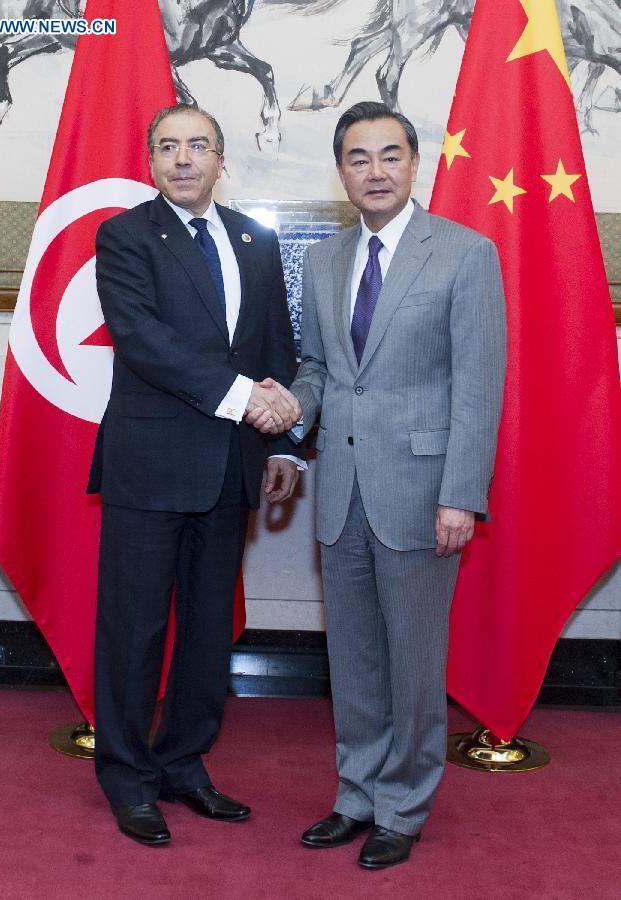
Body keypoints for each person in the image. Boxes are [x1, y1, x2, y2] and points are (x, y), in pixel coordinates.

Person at [251, 101, 506, 869]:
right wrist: (291, 409)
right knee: (354, 659)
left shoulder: (465, 253)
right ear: (340, 171)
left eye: (389, 155)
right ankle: (355, 795)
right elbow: (320, 369)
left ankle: (401, 806)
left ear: (414, 163)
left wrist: (460, 494)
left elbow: (477, 386)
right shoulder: (324, 260)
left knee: (413, 665)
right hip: (341, 493)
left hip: (423, 495)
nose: (375, 171)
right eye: (358, 158)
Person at [87, 102, 302, 846]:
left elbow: (275, 342)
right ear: (150, 160)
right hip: (149, 466)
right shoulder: (123, 236)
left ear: (220, 159)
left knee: (209, 631)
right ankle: (127, 778)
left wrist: (283, 445)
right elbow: (142, 340)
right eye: (168, 146)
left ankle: (183, 764)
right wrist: (245, 400)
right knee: (134, 630)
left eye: (198, 145)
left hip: (230, 469)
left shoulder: (254, 240)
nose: (183, 159)